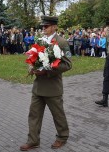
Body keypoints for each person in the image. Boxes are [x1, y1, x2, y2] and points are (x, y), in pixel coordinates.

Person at [20, 16, 72, 151]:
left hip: (52, 87)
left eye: (46, 26)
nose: (43, 28)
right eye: (42, 26)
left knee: (58, 115)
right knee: (34, 114)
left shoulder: (62, 42)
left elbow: (67, 64)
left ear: (54, 27)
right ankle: (33, 140)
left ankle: (62, 137)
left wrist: (47, 71)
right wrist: (31, 67)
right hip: (38, 86)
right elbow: (34, 57)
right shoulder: (40, 40)